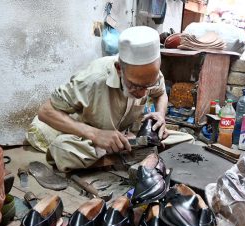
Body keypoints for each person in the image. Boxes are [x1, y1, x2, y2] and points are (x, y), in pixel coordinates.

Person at [26, 26, 194, 172]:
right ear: (119, 69)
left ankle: (125, 151)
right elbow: (45, 111)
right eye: (135, 86)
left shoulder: (151, 75)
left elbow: (161, 93)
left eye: (147, 86)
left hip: (126, 137)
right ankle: (124, 154)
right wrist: (96, 134)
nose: (143, 94)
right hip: (89, 138)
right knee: (63, 150)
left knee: (187, 141)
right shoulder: (91, 80)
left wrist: (160, 115)